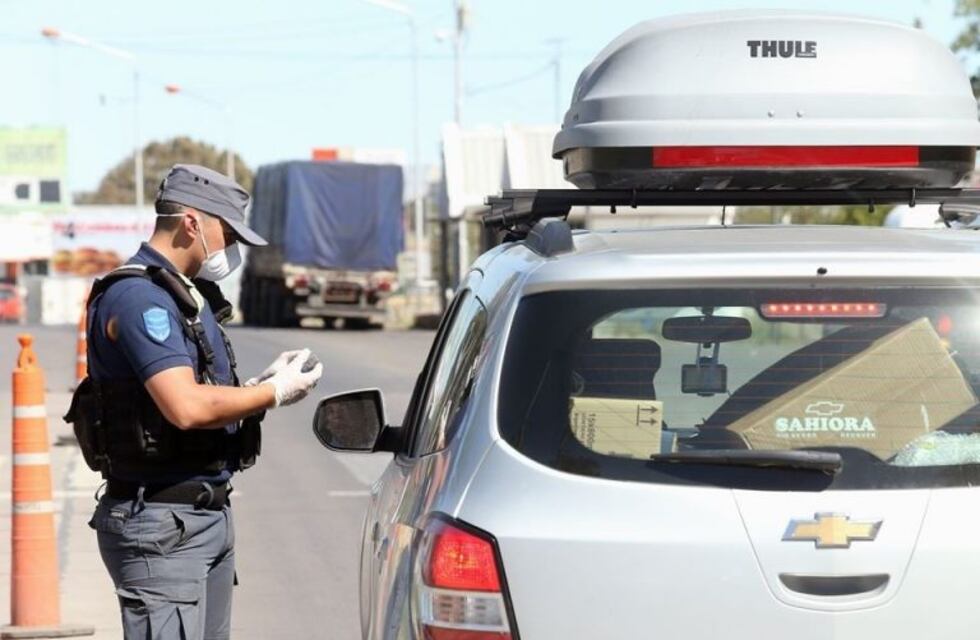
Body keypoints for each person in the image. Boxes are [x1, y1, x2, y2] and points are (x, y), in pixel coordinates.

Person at [65, 164, 323, 640]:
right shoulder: (141, 299)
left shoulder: (187, 295)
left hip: (201, 517)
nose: (231, 249)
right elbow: (184, 407)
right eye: (227, 233)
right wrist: (274, 392)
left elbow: (196, 388)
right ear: (191, 223)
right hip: (164, 527)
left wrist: (253, 388)